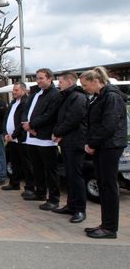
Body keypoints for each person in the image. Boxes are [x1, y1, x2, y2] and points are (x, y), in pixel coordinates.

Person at [80, 67, 127, 239]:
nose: (85, 89)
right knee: (104, 186)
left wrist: (92, 143)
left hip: (110, 146)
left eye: (86, 85)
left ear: (95, 81)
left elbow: (109, 125)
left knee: (108, 186)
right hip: (103, 145)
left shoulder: (111, 96)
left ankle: (110, 227)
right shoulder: (101, 96)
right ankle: (105, 224)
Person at [21, 68, 62, 210]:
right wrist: (26, 124)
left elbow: (50, 115)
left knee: (50, 170)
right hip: (31, 137)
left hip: (45, 138)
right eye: (37, 78)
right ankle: (40, 192)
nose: (38, 81)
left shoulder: (55, 95)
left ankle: (54, 199)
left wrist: (31, 125)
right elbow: (25, 110)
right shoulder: (35, 94)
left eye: (41, 78)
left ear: (50, 78)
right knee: (37, 168)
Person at [51, 72, 88, 223]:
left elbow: (73, 119)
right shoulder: (66, 96)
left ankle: (80, 209)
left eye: (60, 81)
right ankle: (71, 205)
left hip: (75, 141)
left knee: (76, 176)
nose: (58, 84)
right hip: (67, 141)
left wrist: (58, 132)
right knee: (70, 175)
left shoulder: (78, 97)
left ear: (69, 81)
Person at [2, 82, 30, 192]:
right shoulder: (13, 103)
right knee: (14, 163)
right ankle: (14, 183)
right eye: (13, 90)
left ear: (23, 90)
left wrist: (13, 135)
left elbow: (22, 122)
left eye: (16, 90)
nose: (14, 92)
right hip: (11, 139)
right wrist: (5, 133)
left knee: (26, 164)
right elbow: (6, 119)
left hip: (21, 138)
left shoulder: (26, 103)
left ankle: (30, 187)